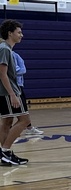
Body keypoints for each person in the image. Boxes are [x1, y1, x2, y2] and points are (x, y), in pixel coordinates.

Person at [0, 19, 31, 166]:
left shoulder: (6, 49)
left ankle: (5, 155)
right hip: (8, 92)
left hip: (5, 92)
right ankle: (5, 152)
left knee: (7, 121)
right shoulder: (4, 49)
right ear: (10, 33)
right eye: (19, 32)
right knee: (24, 120)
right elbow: (2, 74)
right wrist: (12, 94)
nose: (21, 35)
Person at [11, 35, 44, 138]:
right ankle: (9, 135)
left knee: (23, 109)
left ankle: (29, 128)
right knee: (13, 113)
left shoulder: (14, 55)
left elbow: (21, 70)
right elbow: (15, 70)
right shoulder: (6, 53)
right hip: (12, 86)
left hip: (18, 85)